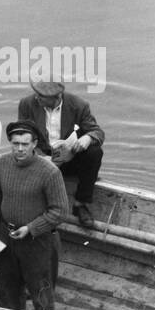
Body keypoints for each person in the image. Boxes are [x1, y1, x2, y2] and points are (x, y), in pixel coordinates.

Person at [0, 121, 69, 310]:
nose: (20, 149)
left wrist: (31, 228)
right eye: (15, 143)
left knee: (41, 290)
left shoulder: (50, 172)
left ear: (35, 144)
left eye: (25, 144)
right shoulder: (2, 164)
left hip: (37, 241)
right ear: (10, 143)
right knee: (7, 287)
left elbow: (60, 211)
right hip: (6, 237)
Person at [15, 79, 105, 230]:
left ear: (57, 97)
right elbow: (21, 134)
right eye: (37, 93)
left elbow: (98, 132)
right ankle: (29, 204)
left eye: (42, 96)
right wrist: (39, 156)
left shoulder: (78, 105)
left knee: (94, 152)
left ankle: (80, 204)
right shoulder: (27, 104)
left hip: (68, 159)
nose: (37, 97)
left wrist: (87, 138)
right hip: (41, 158)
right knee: (18, 156)